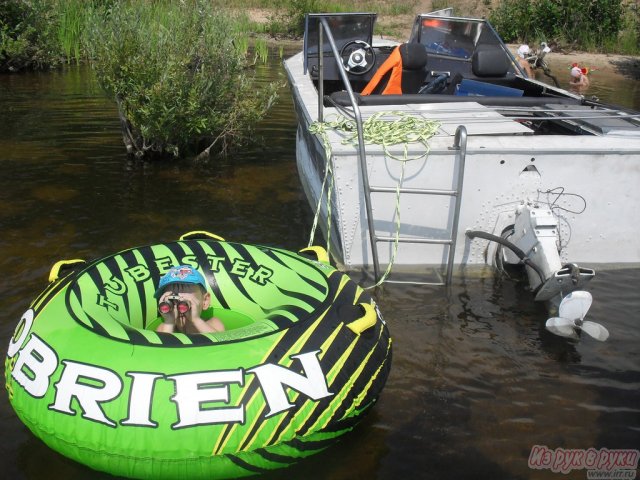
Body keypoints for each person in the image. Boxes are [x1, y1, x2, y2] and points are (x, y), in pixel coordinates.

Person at [155, 265, 225, 334]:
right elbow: (162, 343)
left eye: (186, 303)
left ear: (205, 301)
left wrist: (196, 320)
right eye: (172, 301)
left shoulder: (213, 323)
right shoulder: (164, 328)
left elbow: (220, 343)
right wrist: (169, 322)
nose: (178, 307)